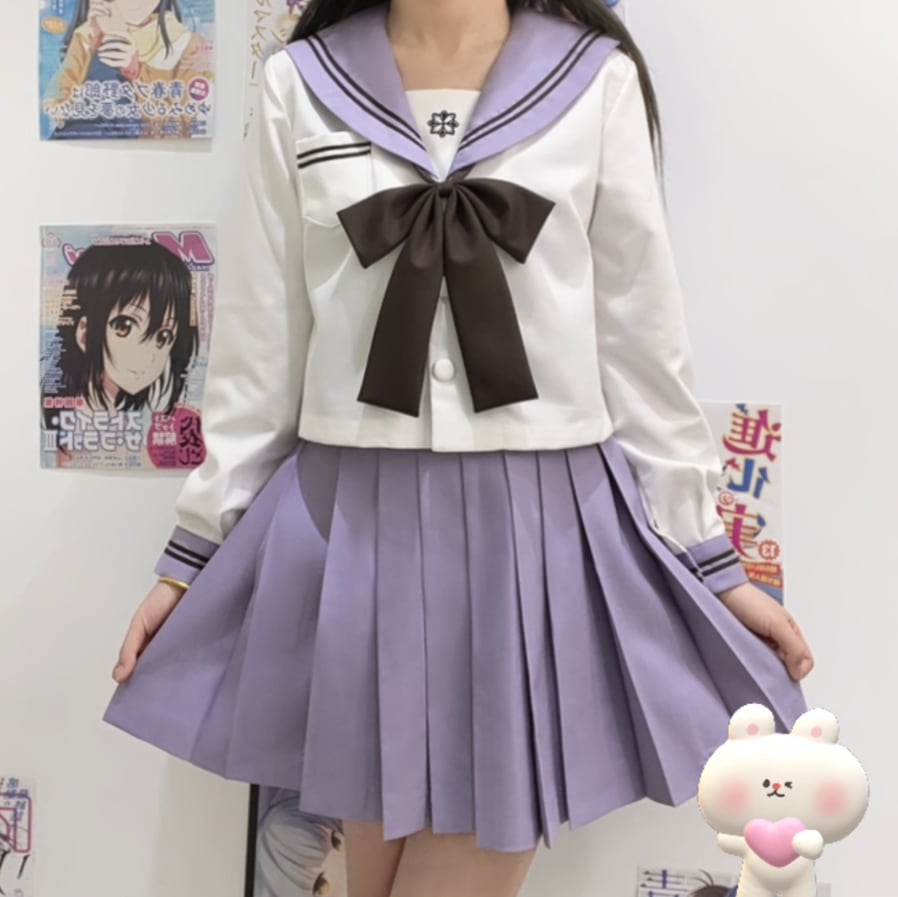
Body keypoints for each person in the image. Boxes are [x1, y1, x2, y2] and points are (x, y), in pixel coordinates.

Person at [103, 1, 815, 895]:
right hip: (352, 532)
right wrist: (193, 556)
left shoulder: (595, 81)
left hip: (536, 537)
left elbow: (642, 349)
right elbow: (259, 351)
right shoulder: (299, 83)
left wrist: (710, 559)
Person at [43, 241, 198, 417]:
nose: (147, 356)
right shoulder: (71, 416)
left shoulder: (128, 416)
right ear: (84, 333)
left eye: (163, 336)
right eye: (124, 327)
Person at [45, 0, 212, 139]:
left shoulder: (187, 44)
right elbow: (56, 107)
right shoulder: (85, 36)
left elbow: (183, 127)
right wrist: (96, 45)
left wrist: (137, 72)